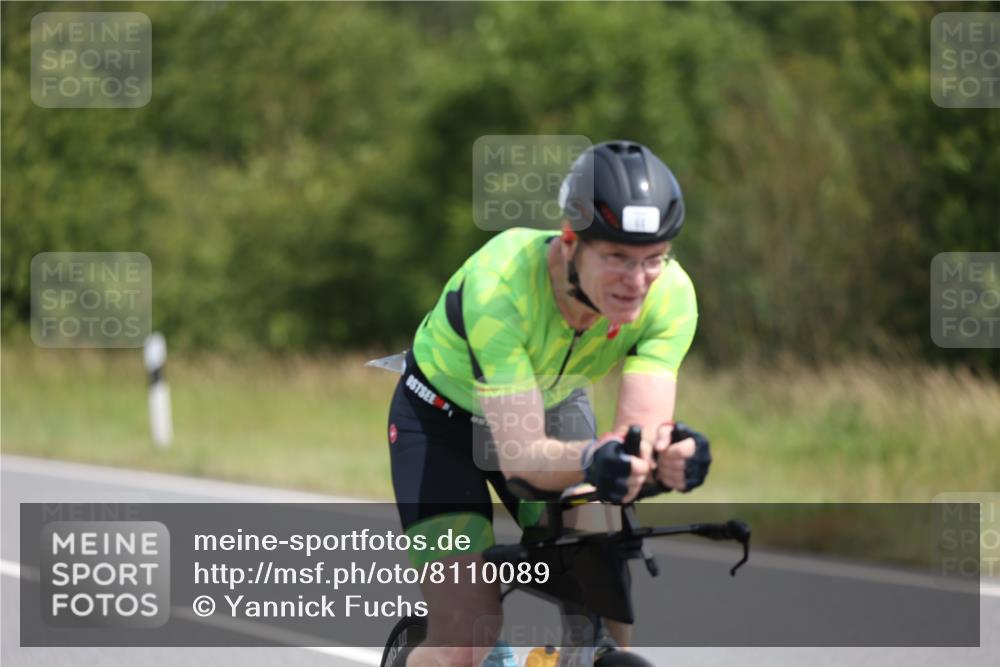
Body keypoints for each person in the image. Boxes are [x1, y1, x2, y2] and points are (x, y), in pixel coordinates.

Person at [387, 140, 711, 667]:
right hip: (441, 422)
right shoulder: (502, 286)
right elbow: (521, 458)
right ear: (569, 242)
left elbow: (635, 440)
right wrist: (591, 459)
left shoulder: (670, 297)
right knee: (469, 642)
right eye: (617, 258)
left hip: (552, 406)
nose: (637, 283)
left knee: (604, 587)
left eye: (654, 259)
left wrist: (668, 461)